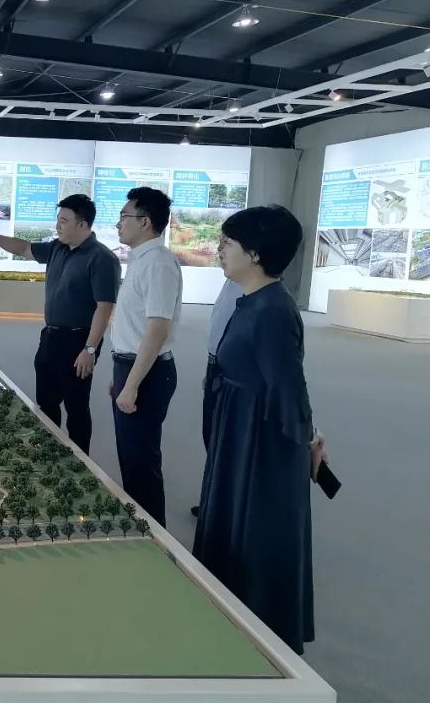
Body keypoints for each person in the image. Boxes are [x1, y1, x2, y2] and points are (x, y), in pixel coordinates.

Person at [193, 205, 323, 656]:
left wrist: (307, 439)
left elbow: (288, 385)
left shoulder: (272, 310)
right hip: (240, 429)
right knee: (233, 523)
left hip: (261, 441)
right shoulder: (252, 299)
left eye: (227, 244)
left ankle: (261, 630)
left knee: (257, 528)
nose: (219, 250)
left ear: (254, 253)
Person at [0, 194, 120, 453]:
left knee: (76, 406)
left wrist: (89, 349)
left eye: (64, 221)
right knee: (46, 402)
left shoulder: (102, 258)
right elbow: (22, 248)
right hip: (51, 337)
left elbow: (104, 307)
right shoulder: (57, 248)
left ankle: (80, 460)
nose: (57, 225)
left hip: (79, 341)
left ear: (82, 225)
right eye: (58, 219)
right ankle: (49, 452)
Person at [108, 187, 182, 526]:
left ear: (146, 222)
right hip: (133, 367)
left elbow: (156, 330)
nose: (118, 224)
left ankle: (153, 534)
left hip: (148, 374)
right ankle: (139, 528)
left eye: (124, 216)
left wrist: (132, 384)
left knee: (141, 462)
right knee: (131, 457)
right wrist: (121, 373)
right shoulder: (142, 260)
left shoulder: (159, 264)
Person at [191, 276, 243, 518]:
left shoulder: (254, 291)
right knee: (211, 436)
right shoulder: (231, 282)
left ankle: (226, 509)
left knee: (226, 441)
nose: (221, 257)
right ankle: (215, 503)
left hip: (230, 371)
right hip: (216, 366)